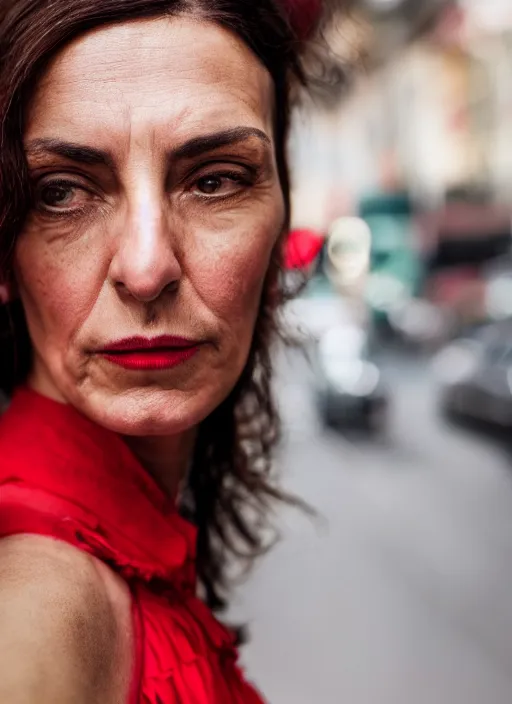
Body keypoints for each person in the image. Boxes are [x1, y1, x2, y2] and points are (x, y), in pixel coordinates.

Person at [0, 0, 329, 702]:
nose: (147, 269)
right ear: (3, 255)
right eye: (62, 192)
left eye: (214, 180)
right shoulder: (42, 603)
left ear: (278, 233)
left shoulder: (145, 546)